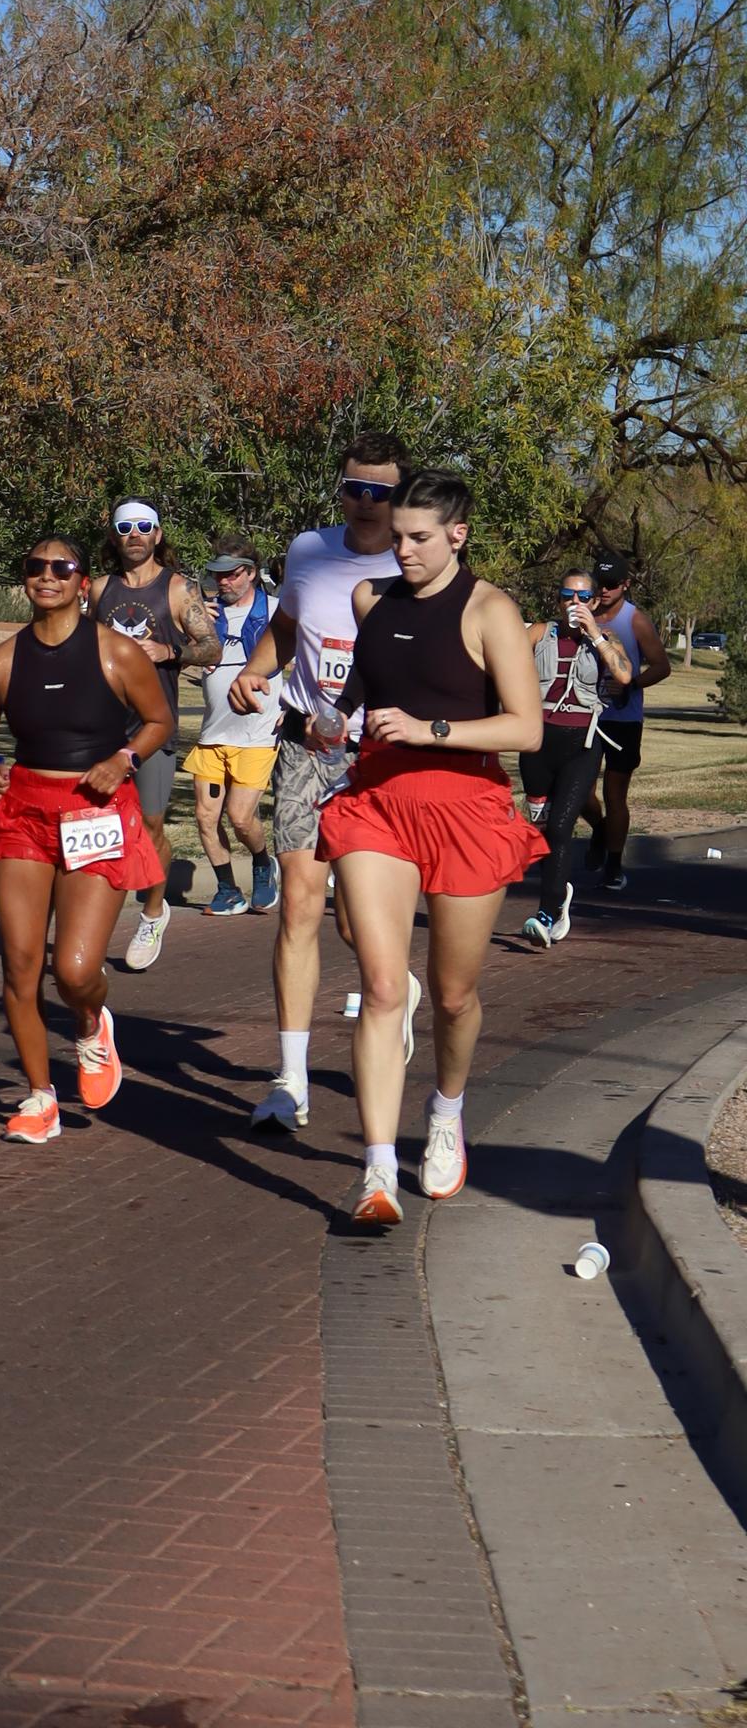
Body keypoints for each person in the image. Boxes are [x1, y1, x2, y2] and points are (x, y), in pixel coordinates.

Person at [316, 471, 546, 1225]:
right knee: (383, 987)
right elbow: (362, 688)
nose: (403, 550)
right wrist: (328, 719)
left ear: (458, 534)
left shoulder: (489, 610)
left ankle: (446, 1108)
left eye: (419, 538)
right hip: (378, 804)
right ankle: (378, 1172)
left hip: (466, 808)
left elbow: (525, 728)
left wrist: (431, 730)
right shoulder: (371, 599)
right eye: (397, 536)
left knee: (452, 995)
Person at [0, 536, 176, 1142]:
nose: (47, 576)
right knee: (21, 965)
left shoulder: (115, 651)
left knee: (74, 971)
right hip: (23, 813)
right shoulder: (0, 662)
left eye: (62, 567)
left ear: (83, 581)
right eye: (36, 567)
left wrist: (124, 758)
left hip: (95, 811)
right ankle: (39, 1097)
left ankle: (89, 1023)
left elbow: (160, 720)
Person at [228, 433, 419, 1132]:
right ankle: (291, 1079)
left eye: (380, 492)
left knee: (354, 920)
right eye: (353, 488)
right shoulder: (309, 551)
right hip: (306, 749)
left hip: (382, 756)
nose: (365, 503)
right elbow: (286, 625)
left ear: (401, 497)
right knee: (299, 908)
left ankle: (395, 988)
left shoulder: (415, 563)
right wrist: (257, 671)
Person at [93, 500, 219, 970]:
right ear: (114, 536)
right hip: (101, 726)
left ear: (157, 535)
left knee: (149, 826)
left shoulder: (178, 588)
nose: (135, 534)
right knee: (97, 829)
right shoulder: (100, 589)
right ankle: (92, 928)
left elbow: (211, 647)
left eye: (144, 526)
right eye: (125, 527)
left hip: (152, 725)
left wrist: (169, 651)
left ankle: (152, 911)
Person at [518, 568, 633, 948]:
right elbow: (503, 662)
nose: (575, 603)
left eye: (583, 597)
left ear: (594, 601)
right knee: (540, 828)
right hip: (538, 742)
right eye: (568, 596)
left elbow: (624, 675)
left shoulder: (605, 638)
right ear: (558, 599)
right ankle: (558, 894)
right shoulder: (540, 632)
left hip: (582, 745)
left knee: (560, 827)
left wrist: (594, 633)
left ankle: (547, 912)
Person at [181, 545, 282, 925]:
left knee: (240, 818)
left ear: (252, 573)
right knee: (206, 818)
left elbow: (306, 658)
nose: (223, 581)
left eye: (232, 574)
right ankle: (228, 890)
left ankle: (262, 862)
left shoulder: (276, 612)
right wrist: (192, 630)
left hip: (256, 736)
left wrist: (291, 706)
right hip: (213, 734)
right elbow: (178, 654)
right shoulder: (206, 614)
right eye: (218, 574)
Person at [578, 551, 670, 892]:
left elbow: (662, 666)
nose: (604, 590)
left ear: (626, 585)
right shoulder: (583, 613)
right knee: (579, 792)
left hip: (622, 720)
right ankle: (601, 829)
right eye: (599, 583)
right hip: (585, 715)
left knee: (614, 794)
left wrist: (631, 685)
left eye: (611, 584)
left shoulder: (635, 621)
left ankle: (614, 866)